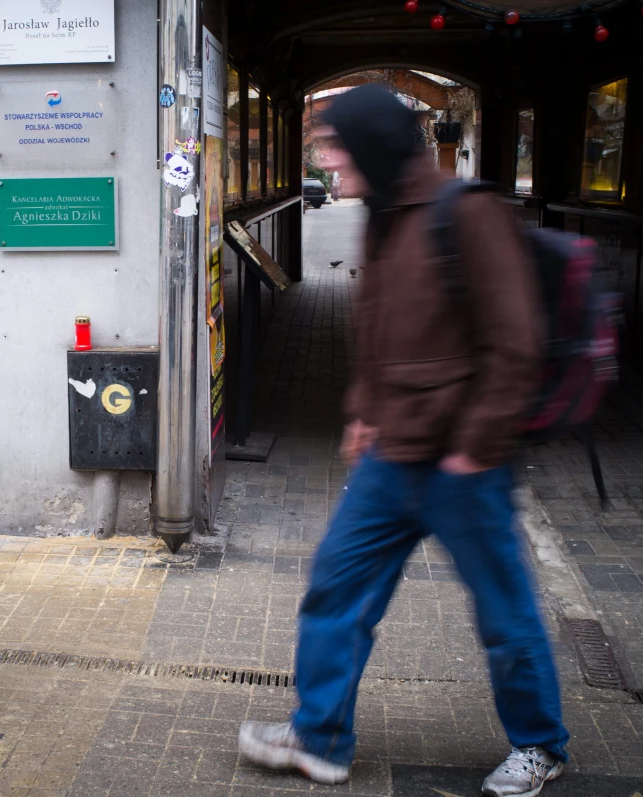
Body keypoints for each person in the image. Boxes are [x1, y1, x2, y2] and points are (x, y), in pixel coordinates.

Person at [236, 84, 569, 797]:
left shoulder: (466, 213)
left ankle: (540, 742)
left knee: (501, 610)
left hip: (462, 464)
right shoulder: (381, 216)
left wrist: (475, 444)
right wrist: (362, 411)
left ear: (374, 147)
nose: (326, 160)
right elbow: (381, 337)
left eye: (336, 146)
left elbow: (517, 342)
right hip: (393, 457)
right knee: (336, 587)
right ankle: (320, 737)